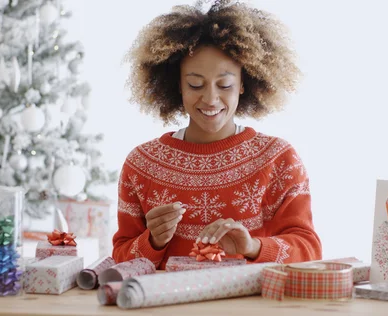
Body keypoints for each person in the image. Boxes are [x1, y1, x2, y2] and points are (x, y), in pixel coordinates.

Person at [112, 0, 322, 269]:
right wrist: (152, 242)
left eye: (224, 84)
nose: (211, 99)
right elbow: (120, 256)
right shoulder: (142, 164)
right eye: (195, 84)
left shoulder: (278, 159)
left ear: (244, 83)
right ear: (177, 84)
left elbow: (309, 250)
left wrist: (253, 247)